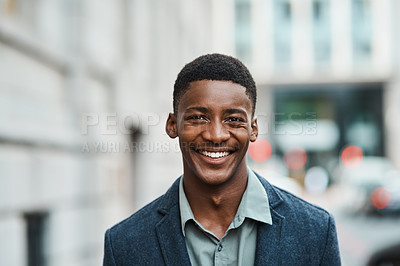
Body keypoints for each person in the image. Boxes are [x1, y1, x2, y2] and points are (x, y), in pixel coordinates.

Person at [103, 54, 341, 266]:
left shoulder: (316, 232)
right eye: (198, 117)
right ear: (172, 125)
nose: (216, 135)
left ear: (253, 129)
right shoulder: (124, 244)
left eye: (234, 120)